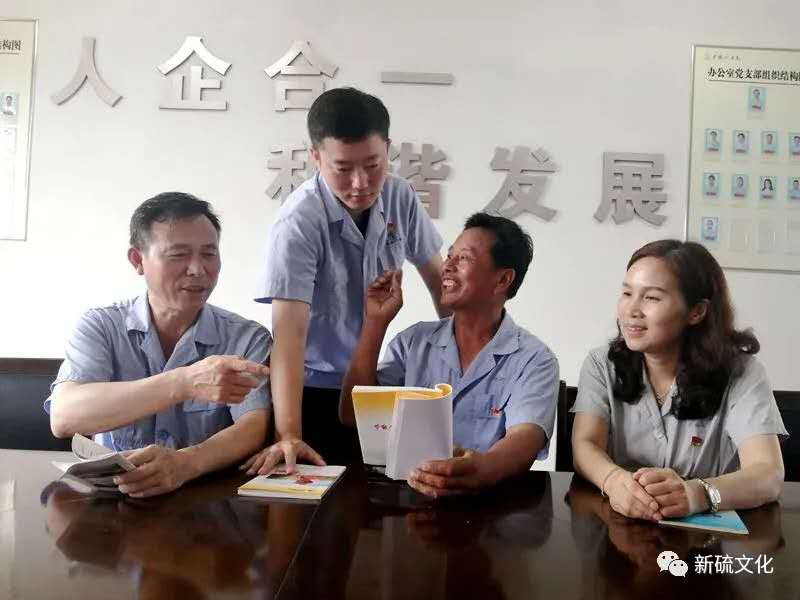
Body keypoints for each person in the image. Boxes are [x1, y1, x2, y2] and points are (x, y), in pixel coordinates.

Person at [248, 87, 446, 473]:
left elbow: (440, 283)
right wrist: (289, 433)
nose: (360, 183)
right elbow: (289, 336)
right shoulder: (299, 222)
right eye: (342, 169)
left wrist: (463, 363)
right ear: (316, 157)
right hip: (308, 390)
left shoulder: (399, 196)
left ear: (388, 149)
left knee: (377, 493)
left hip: (370, 387)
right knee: (311, 493)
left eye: (373, 165)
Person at [46, 192, 271, 498]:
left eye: (209, 254)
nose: (197, 269)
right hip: (112, 501)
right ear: (137, 260)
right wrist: (184, 382)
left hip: (206, 502)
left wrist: (188, 463)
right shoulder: (101, 326)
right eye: (179, 255)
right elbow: (64, 417)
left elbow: (253, 424)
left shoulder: (246, 337)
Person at [339, 213, 559, 498]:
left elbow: (525, 439)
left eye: (463, 258)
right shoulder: (413, 342)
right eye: (449, 255)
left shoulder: (534, 359)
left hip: (489, 506)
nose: (447, 266)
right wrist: (375, 322)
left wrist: (479, 469)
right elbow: (351, 415)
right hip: (402, 498)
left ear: (503, 279)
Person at [571, 240, 786, 521]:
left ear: (696, 311)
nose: (631, 310)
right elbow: (585, 444)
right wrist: (613, 481)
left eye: (651, 298)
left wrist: (697, 493)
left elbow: (768, 473)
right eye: (627, 293)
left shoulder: (742, 373)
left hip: (710, 539)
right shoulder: (602, 364)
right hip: (623, 526)